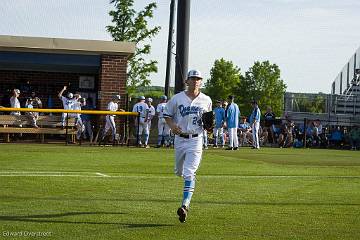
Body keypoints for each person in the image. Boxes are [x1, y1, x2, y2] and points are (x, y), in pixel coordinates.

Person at [164, 69, 212, 223]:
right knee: (179, 171)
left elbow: (208, 121)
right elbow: (167, 115)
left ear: (201, 81)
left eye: (198, 79)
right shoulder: (177, 98)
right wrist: (172, 126)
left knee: (189, 172)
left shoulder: (206, 100)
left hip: (196, 139)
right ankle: (185, 195)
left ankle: (185, 205)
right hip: (180, 139)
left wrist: (210, 127)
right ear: (187, 81)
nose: (196, 81)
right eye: (193, 78)